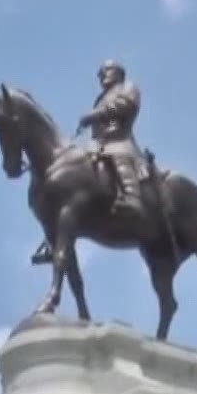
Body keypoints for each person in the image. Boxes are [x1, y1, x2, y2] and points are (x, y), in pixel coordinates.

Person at [31, 60, 150, 265]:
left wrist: (95, 114)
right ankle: (54, 238)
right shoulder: (100, 98)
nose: (102, 75)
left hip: (119, 139)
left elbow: (125, 106)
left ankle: (132, 197)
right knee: (73, 175)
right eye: (100, 73)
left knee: (118, 155)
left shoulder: (128, 87)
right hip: (98, 144)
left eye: (106, 71)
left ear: (119, 73)